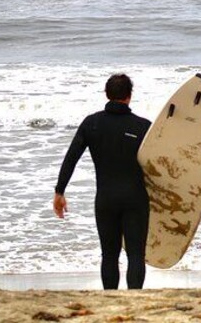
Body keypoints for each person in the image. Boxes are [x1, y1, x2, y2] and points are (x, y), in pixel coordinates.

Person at [53, 73, 151, 290]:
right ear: (129, 96)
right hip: (136, 199)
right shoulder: (144, 127)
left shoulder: (92, 124)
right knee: (136, 254)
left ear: (107, 94)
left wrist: (59, 191)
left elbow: (71, 158)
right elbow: (166, 164)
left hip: (106, 199)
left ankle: (110, 299)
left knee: (109, 254)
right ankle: (134, 299)